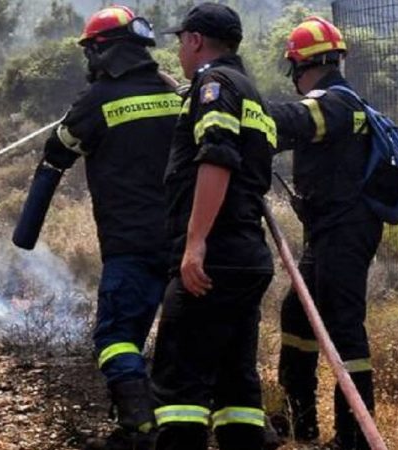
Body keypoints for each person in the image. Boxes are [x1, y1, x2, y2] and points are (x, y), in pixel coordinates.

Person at [24, 5, 180, 448]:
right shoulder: (177, 96)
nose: (89, 62)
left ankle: (139, 429)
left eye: (92, 52)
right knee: (186, 342)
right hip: (183, 242)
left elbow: (59, 147)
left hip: (130, 245)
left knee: (115, 336)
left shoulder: (97, 102)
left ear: (105, 51)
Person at [149, 3, 276, 449]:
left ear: (195, 40)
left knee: (180, 388)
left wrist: (195, 242)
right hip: (247, 258)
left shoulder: (214, 84)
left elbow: (217, 157)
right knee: (236, 387)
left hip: (214, 257)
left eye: (181, 40)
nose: (180, 49)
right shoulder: (249, 91)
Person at [267, 16, 382, 450]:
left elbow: (291, 123)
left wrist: (239, 108)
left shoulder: (337, 103)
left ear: (299, 65)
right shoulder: (334, 99)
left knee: (344, 328)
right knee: (297, 315)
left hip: (345, 232)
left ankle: (352, 438)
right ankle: (301, 424)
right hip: (327, 233)